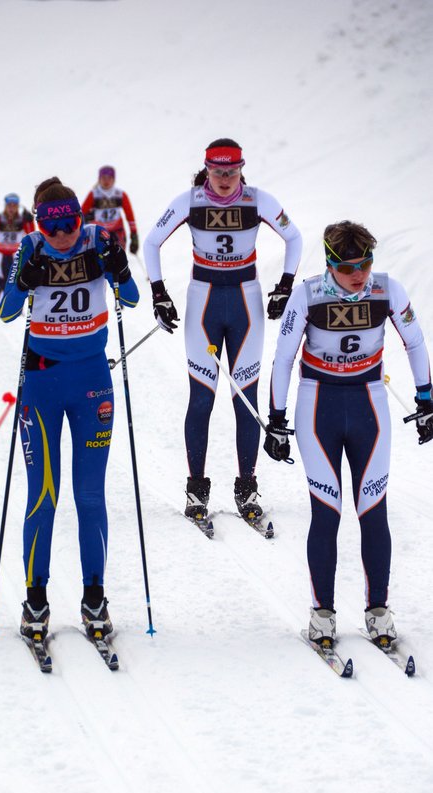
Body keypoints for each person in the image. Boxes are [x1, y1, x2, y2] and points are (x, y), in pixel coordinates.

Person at [264, 220, 432, 648]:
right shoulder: (307, 295)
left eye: (366, 263)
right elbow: (283, 358)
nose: (360, 274)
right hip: (317, 404)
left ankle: (378, 611)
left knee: (374, 510)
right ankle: (323, 614)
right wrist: (277, 419)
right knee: (327, 512)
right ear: (330, 263)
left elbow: (414, 341)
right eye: (349, 267)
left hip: (369, 404)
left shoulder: (387, 290)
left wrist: (426, 398)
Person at [0, 177, 139, 642]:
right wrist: (22, 281)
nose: (62, 235)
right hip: (41, 384)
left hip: (92, 383)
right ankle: (35, 600)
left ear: (82, 217)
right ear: (39, 221)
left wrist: (119, 268)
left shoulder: (99, 240)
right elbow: (5, 312)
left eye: (70, 222)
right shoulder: (31, 245)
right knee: (43, 495)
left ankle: (94, 596)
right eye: (51, 223)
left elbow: (132, 297)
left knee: (91, 496)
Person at [143, 138, 302, 525]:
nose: (226, 179)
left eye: (232, 172)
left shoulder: (259, 200)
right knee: (202, 400)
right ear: (207, 169)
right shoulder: (190, 201)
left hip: (247, 304)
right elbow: (150, 242)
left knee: (245, 400)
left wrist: (284, 285)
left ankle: (247, 487)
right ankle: (196, 490)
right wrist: (158, 294)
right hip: (204, 304)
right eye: (218, 172)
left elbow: (294, 237)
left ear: (242, 169)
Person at [0, 193, 34, 314]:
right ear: (5, 206)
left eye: (14, 205)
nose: (11, 208)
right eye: (9, 205)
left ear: (18, 206)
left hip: (15, 254)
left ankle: (14, 307)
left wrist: (29, 221)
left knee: (15, 281)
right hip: (0, 255)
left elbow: (31, 233)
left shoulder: (22, 219)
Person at [81, 166, 139, 254]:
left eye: (109, 178)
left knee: (119, 256)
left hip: (117, 230)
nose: (106, 181)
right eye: (103, 178)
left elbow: (129, 215)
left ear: (114, 179)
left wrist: (134, 234)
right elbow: (82, 213)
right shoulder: (94, 194)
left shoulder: (120, 194)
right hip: (100, 230)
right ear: (99, 179)